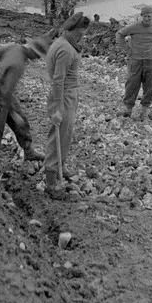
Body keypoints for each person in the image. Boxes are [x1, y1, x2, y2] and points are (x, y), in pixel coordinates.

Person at [0, 36, 52, 167]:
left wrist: (3, 70)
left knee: (22, 121)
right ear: (33, 51)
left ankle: (28, 151)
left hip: (0, 87)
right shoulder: (18, 65)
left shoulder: (14, 47)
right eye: (38, 56)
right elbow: (6, 92)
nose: (38, 59)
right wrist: (13, 114)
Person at [44, 11, 90, 199]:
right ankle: (51, 181)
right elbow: (58, 80)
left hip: (66, 95)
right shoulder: (65, 49)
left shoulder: (63, 43)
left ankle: (60, 167)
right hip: (63, 96)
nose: (83, 35)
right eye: (82, 31)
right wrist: (58, 107)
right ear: (76, 29)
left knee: (65, 135)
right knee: (59, 137)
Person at [116, 5, 152, 121]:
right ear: (141, 16)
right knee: (132, 84)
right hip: (135, 60)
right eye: (145, 16)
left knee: (149, 85)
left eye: (149, 16)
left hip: (150, 61)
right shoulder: (134, 27)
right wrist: (127, 49)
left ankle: (144, 111)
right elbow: (119, 34)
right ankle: (128, 109)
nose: (147, 18)